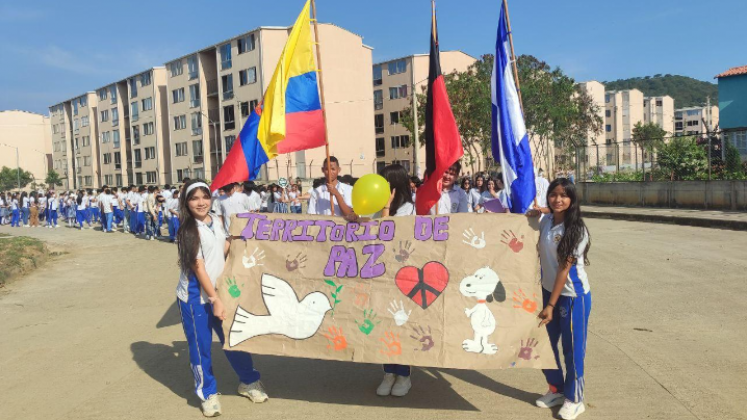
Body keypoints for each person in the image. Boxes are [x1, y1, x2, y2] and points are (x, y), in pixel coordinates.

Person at [175, 179, 267, 417]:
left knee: (233, 338)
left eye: (204, 197)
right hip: (197, 298)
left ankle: (248, 381)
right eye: (194, 198)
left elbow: (221, 249)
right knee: (201, 347)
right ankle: (208, 393)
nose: (201, 202)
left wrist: (237, 236)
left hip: (220, 290)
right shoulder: (188, 229)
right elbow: (199, 266)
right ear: (186, 202)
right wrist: (214, 300)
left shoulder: (216, 220)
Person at [528, 178, 592, 420]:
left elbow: (564, 270)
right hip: (546, 291)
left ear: (572, 200)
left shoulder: (576, 230)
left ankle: (575, 399)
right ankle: (556, 388)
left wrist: (551, 305)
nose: (558, 199)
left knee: (572, 349)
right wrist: (539, 211)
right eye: (554, 194)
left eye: (564, 195)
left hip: (572, 296)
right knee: (542, 344)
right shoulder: (546, 221)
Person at [374, 164, 415, 397]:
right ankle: (388, 372)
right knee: (383, 325)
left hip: (401, 276)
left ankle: (404, 374)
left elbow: (388, 232)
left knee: (399, 324)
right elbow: (367, 228)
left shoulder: (408, 208)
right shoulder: (377, 206)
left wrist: (387, 207)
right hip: (379, 274)